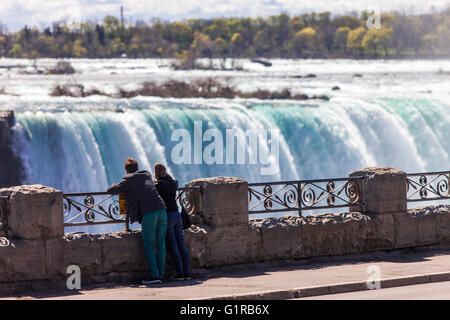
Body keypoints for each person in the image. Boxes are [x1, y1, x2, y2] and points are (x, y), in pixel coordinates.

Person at [107, 158, 167, 285]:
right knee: (161, 243)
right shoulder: (146, 174)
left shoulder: (128, 179)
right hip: (162, 210)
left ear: (126, 170)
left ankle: (155, 275)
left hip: (149, 212)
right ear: (137, 167)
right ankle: (162, 274)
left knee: (149, 244)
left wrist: (113, 185)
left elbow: (111, 190)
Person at [154, 163, 191, 281]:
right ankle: (187, 273)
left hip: (168, 216)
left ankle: (180, 273)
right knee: (181, 245)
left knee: (173, 246)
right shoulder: (173, 183)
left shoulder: (158, 186)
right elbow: (175, 181)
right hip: (177, 215)